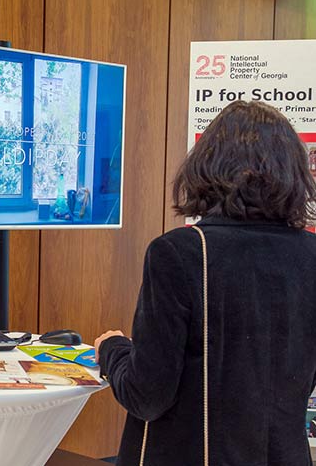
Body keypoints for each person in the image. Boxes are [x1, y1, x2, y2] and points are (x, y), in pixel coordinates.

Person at [94, 101, 316, 466]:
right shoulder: (310, 255)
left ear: (208, 167)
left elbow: (146, 394)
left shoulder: (180, 253)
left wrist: (113, 350)